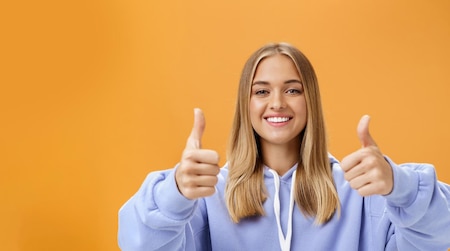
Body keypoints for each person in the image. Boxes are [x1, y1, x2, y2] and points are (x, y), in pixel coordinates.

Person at [117, 43, 450, 251]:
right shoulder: (207, 197)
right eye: (261, 91)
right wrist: (173, 194)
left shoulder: (361, 192)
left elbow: (438, 236)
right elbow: (139, 244)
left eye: (292, 90)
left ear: (311, 101)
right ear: (245, 104)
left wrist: (401, 187)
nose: (276, 103)